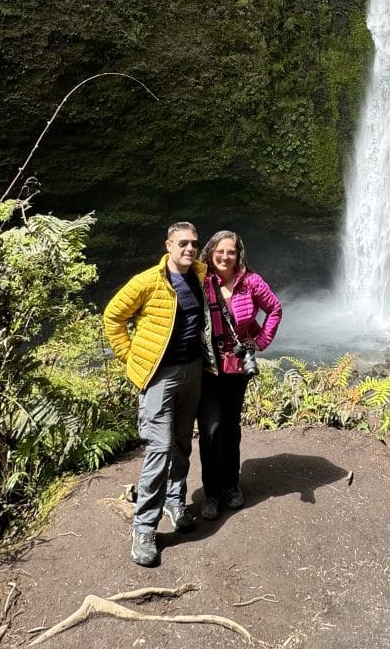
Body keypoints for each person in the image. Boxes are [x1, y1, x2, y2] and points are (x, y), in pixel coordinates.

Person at [103, 221, 216, 567]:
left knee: (182, 441)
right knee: (160, 447)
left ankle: (174, 499)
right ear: (168, 245)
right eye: (182, 243)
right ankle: (144, 527)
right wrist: (130, 357)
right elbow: (112, 317)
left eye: (194, 243)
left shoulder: (200, 274)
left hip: (192, 370)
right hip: (159, 377)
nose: (189, 249)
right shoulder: (148, 282)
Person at [197, 230, 282, 520]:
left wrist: (258, 343)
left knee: (231, 427)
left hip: (236, 367)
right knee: (211, 430)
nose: (225, 256)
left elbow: (275, 309)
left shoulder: (251, 283)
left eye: (231, 251)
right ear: (210, 252)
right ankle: (211, 492)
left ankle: (232, 485)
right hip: (207, 367)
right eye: (220, 251)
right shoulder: (202, 281)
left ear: (238, 254)